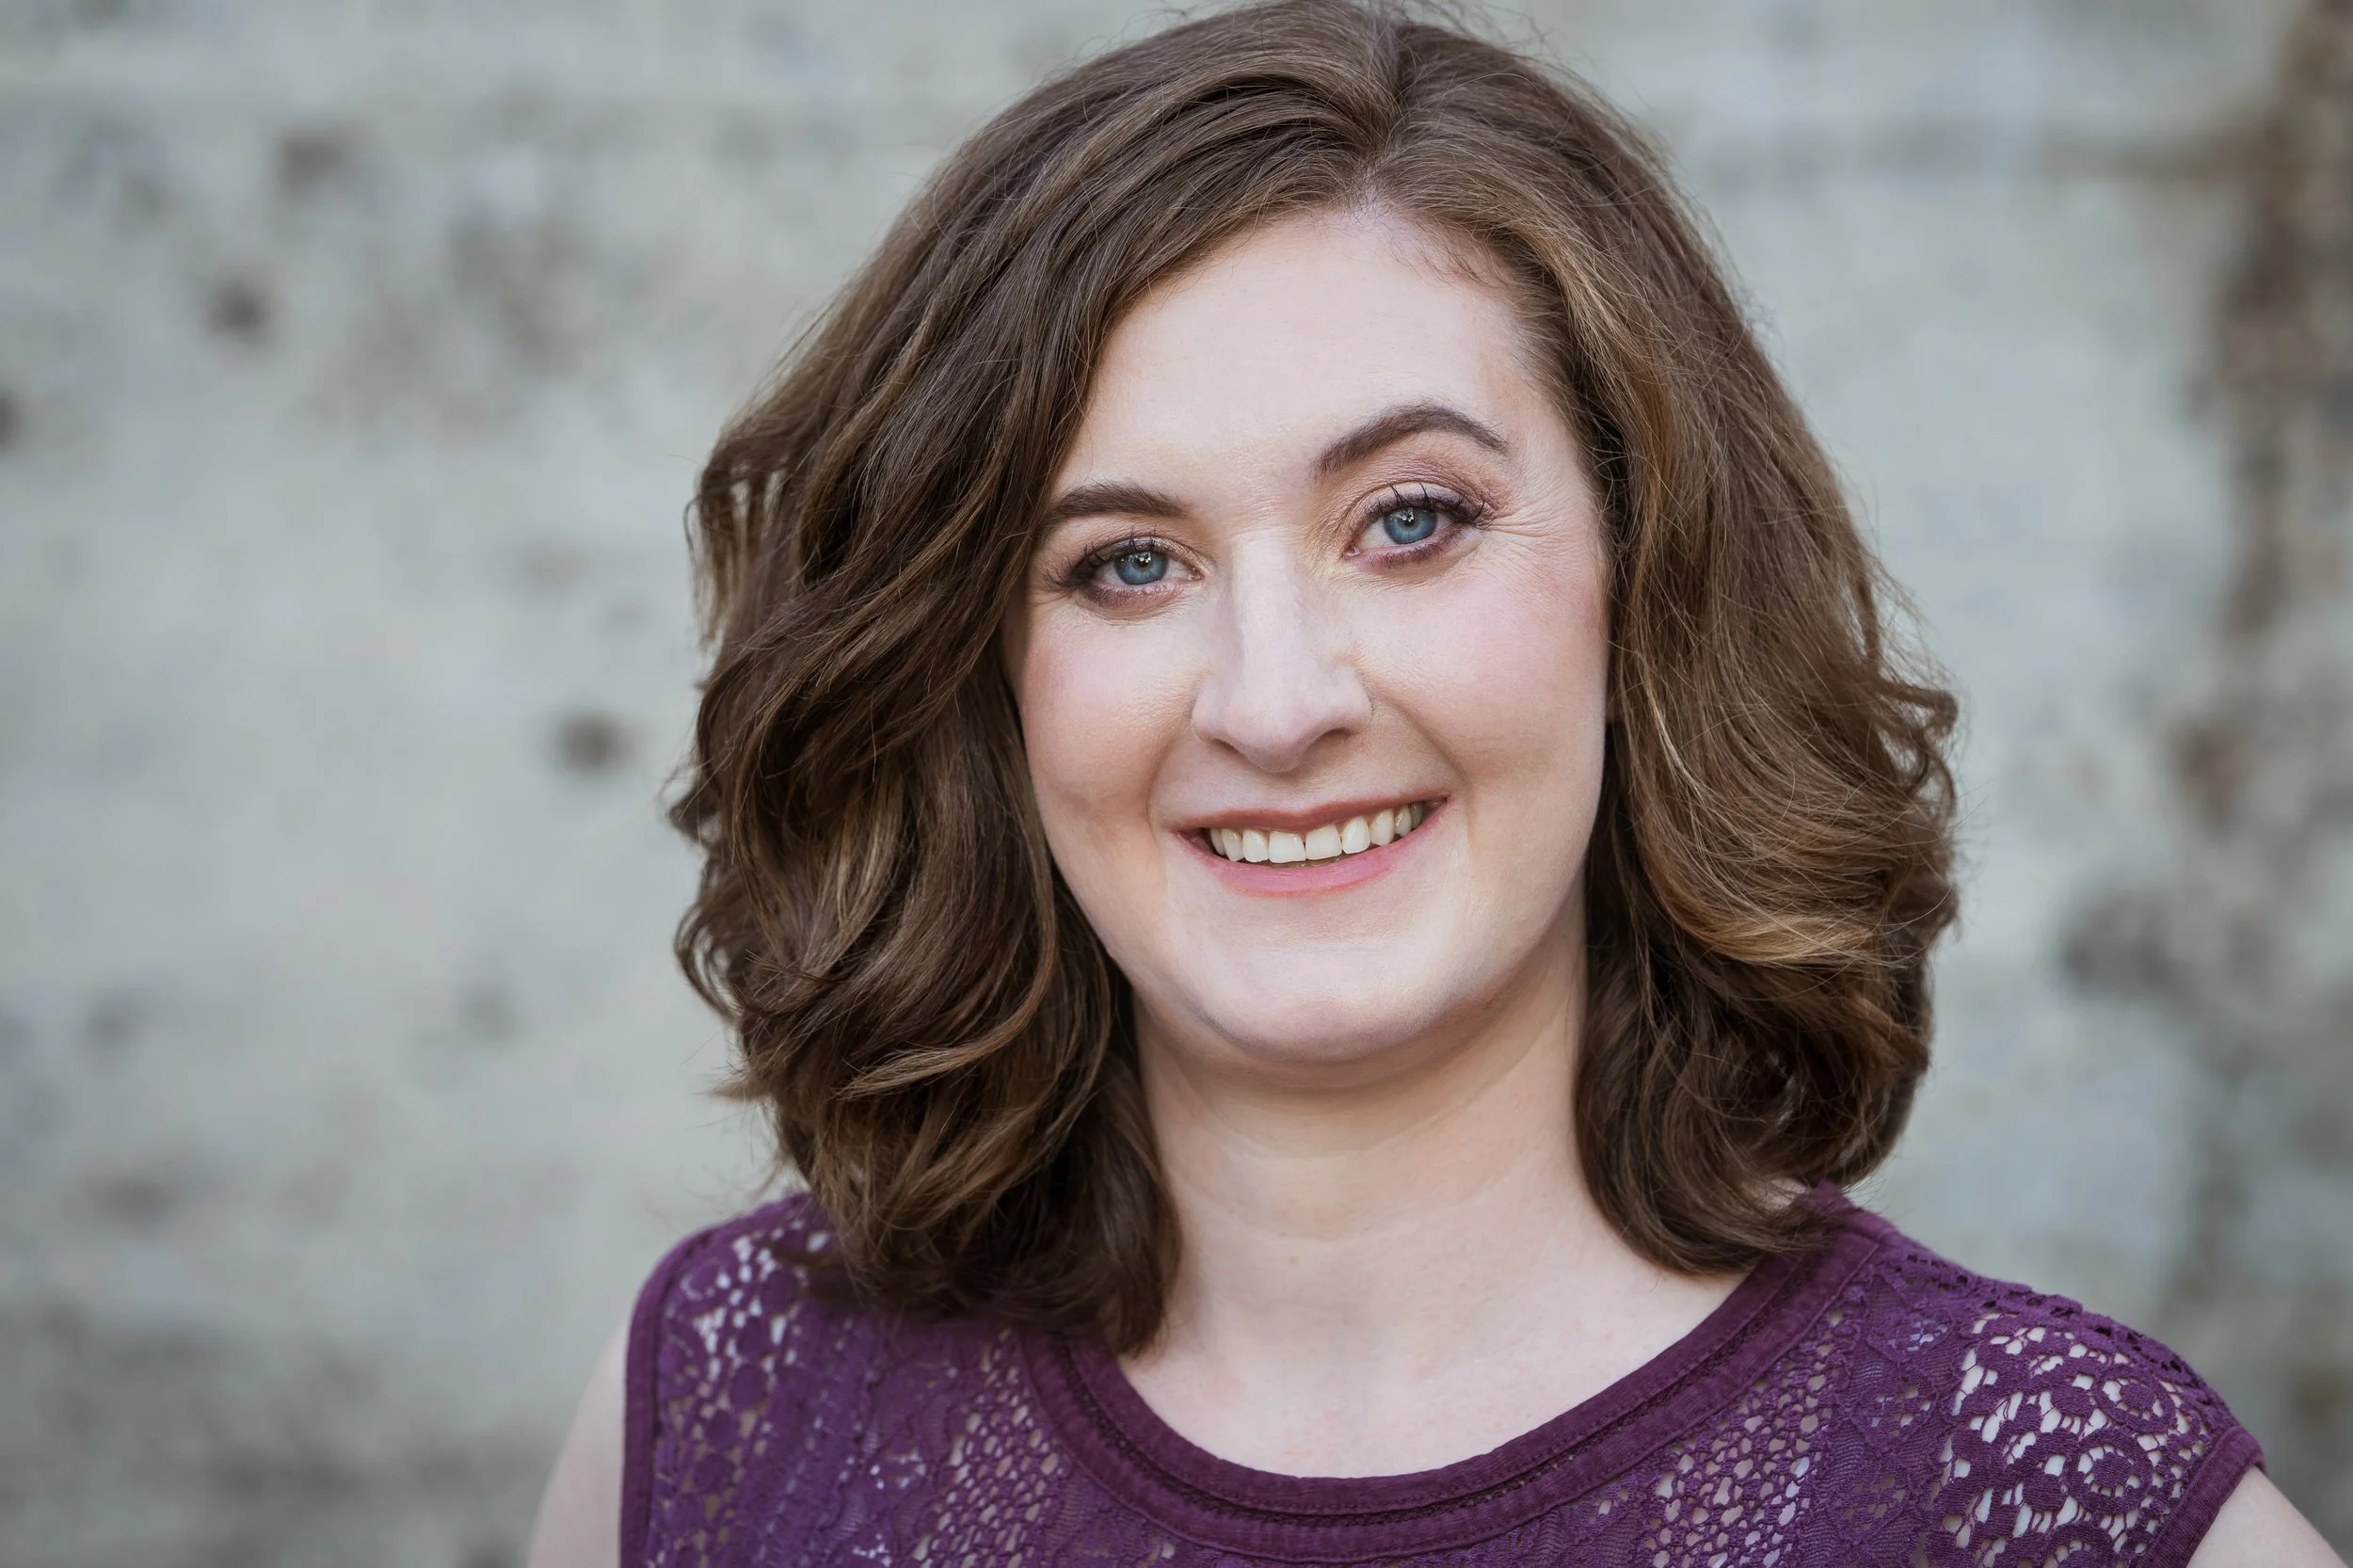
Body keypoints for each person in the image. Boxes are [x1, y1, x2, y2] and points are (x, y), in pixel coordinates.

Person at [527, 3, 2343, 1563]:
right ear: (984, 680)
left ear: (1649, 581)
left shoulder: (2054, 1505)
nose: (1277, 699)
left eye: (1411, 521)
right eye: (1126, 563)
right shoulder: (718, 1405)